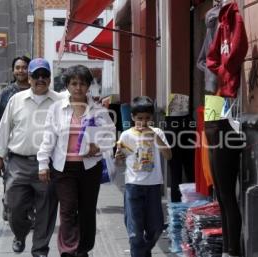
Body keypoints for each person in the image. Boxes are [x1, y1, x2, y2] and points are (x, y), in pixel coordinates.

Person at [37, 64, 116, 257]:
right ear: (67, 86)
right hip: (63, 168)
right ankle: (68, 250)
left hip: (90, 168)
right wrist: (43, 164)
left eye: (82, 83)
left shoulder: (98, 110)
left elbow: (110, 137)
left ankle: (83, 249)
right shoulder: (57, 109)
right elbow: (48, 137)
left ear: (89, 86)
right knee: (68, 209)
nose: (78, 87)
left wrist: (97, 148)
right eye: (73, 83)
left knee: (87, 211)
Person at [0, 58, 60, 257]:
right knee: (14, 207)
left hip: (48, 165)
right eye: (36, 76)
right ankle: (20, 234)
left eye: (44, 76)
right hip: (18, 163)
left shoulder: (60, 101)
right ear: (29, 78)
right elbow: (4, 128)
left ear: (49, 78)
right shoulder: (17, 99)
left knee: (46, 211)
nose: (40, 79)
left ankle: (40, 249)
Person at [115, 96, 172, 257]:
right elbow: (119, 161)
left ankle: (143, 251)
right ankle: (139, 253)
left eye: (147, 118)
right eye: (140, 118)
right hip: (133, 186)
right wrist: (118, 157)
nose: (143, 122)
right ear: (132, 118)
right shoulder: (126, 135)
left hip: (154, 186)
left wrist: (155, 137)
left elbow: (168, 155)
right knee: (135, 231)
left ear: (152, 118)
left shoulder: (157, 132)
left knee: (156, 228)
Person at [0, 55, 31, 221]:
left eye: (24, 67)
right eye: (18, 67)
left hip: (32, 146)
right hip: (11, 147)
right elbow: (0, 123)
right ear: (13, 70)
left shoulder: (36, 89)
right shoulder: (7, 93)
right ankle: (8, 205)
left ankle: (29, 213)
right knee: (10, 182)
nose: (21, 70)